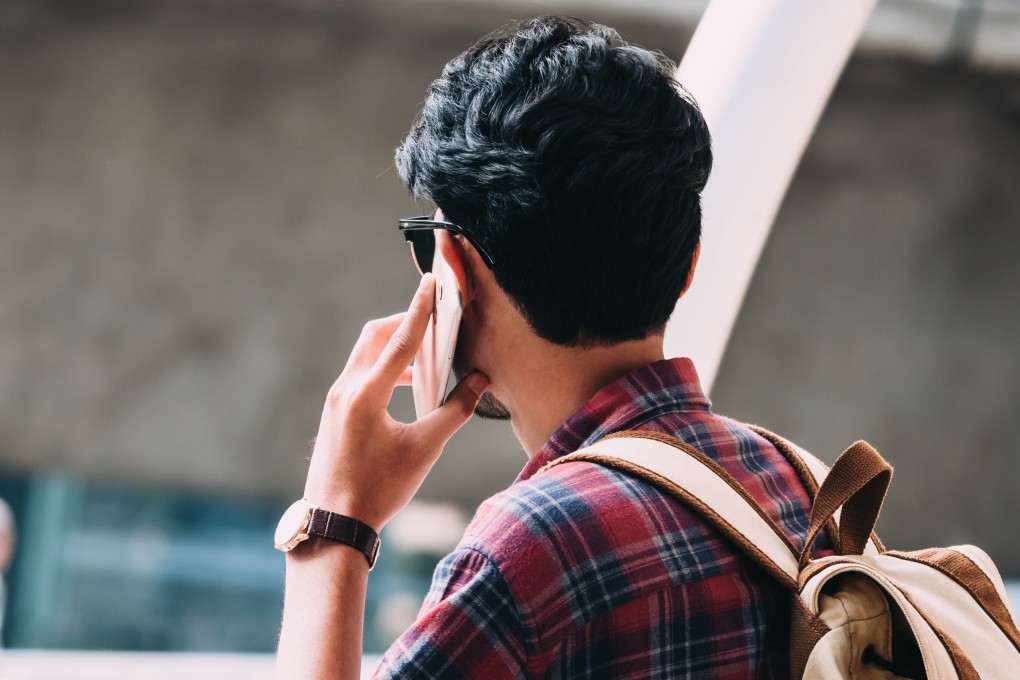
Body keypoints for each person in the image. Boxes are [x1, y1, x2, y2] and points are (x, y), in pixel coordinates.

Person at [276, 16, 823, 679]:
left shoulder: (531, 556)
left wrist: (335, 523)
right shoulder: (795, 481)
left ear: (454, 268)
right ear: (688, 265)